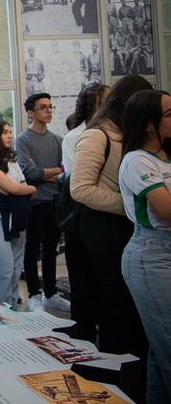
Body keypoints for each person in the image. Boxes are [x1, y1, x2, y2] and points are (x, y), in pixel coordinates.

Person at [67, 76, 152, 353]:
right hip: (104, 226)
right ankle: (117, 359)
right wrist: (131, 205)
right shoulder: (97, 134)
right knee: (114, 296)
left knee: (127, 298)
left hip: (124, 225)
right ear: (127, 104)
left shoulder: (129, 133)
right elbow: (80, 189)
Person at [120, 90, 171, 403]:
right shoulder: (137, 160)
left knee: (160, 347)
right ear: (149, 123)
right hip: (152, 256)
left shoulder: (165, 155)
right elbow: (166, 209)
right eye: (168, 113)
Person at [16, 93, 70, 312]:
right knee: (32, 249)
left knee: (51, 249)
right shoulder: (23, 140)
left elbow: (65, 172)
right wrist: (53, 172)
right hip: (35, 202)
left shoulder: (57, 140)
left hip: (55, 201)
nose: (48, 111)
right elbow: (29, 173)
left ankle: (50, 293)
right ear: (31, 112)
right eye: (43, 107)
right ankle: (34, 293)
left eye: (50, 107)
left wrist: (45, 173)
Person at [0, 119, 36, 310]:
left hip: (15, 216)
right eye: (5, 132)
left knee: (16, 269)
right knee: (4, 270)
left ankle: (12, 311)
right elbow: (13, 188)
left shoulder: (12, 159)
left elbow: (21, 187)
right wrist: (24, 189)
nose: (10, 135)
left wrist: (25, 189)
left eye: (10, 131)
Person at [62, 83, 110, 172]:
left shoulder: (115, 133)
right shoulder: (73, 137)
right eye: (106, 100)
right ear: (92, 105)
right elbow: (73, 173)